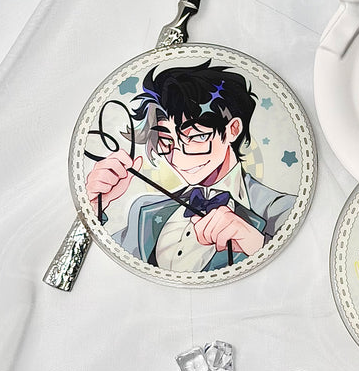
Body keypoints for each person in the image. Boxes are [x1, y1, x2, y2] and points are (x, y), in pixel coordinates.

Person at [85, 61, 295, 272]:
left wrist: (258, 245)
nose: (178, 158)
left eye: (196, 137)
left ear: (232, 129)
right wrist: (93, 207)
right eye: (166, 141)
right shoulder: (144, 210)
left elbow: (299, 273)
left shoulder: (282, 209)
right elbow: (107, 268)